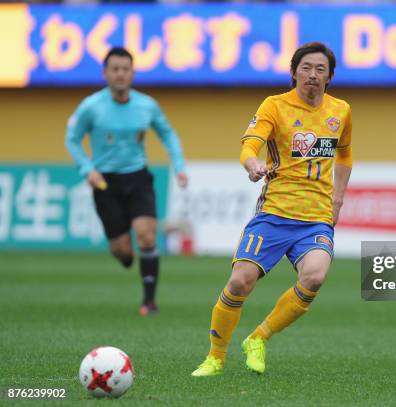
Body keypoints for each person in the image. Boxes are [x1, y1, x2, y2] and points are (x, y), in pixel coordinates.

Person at [191, 42, 352, 376]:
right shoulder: (275, 106)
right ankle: (215, 357)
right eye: (305, 67)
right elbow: (251, 143)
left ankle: (259, 337)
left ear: (330, 76)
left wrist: (338, 198)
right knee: (240, 282)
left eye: (320, 69)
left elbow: (345, 156)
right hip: (275, 213)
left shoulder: (342, 111)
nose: (312, 75)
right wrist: (251, 164)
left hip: (316, 218)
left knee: (315, 276)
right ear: (293, 72)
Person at [65, 47, 188, 316]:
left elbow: (168, 134)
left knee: (146, 234)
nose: (120, 74)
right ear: (106, 73)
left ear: (132, 73)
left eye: (125, 69)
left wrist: (179, 166)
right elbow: (72, 138)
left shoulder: (146, 105)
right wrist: (87, 169)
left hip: (138, 177)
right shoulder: (91, 106)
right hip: (104, 183)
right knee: (122, 250)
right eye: (115, 69)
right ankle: (126, 257)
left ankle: (149, 302)